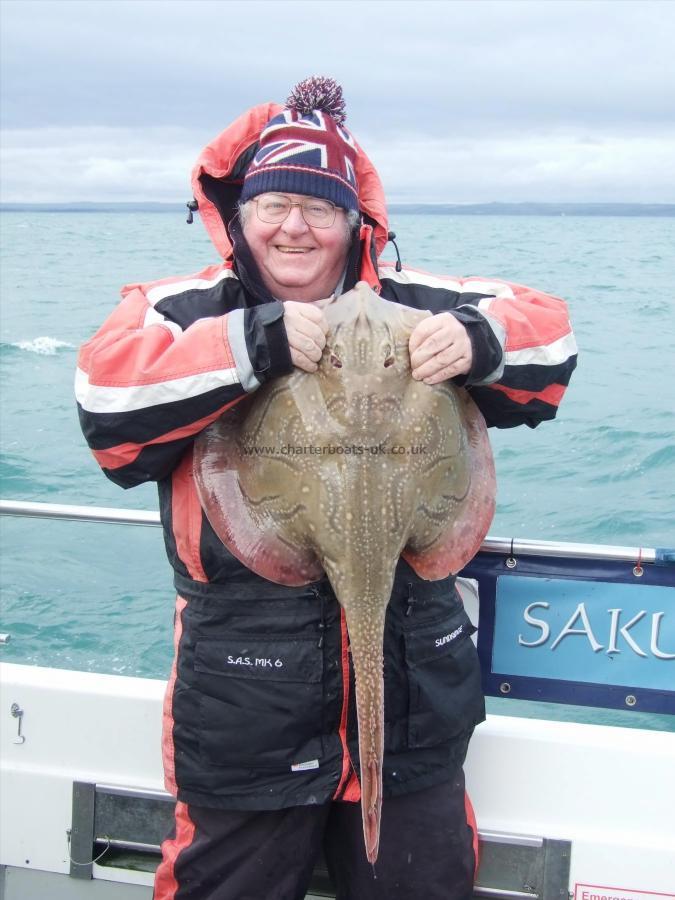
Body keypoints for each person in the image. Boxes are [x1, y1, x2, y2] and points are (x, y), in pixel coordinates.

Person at [76, 77, 577, 900]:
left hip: (415, 685)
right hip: (249, 695)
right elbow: (106, 407)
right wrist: (252, 344)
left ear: (355, 223)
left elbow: (550, 333)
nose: (294, 226)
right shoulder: (183, 309)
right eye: (272, 203)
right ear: (238, 214)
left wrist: (481, 341)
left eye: (320, 208)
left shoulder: (418, 307)